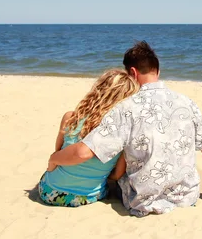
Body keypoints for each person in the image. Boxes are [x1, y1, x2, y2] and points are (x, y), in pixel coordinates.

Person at [48, 41, 202, 216]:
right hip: (186, 197)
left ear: (132, 73)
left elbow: (85, 151)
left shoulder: (125, 107)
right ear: (158, 71)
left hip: (142, 201)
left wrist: (54, 159)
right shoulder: (187, 103)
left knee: (117, 169)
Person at [39, 69, 139, 207]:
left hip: (50, 192)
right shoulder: (123, 133)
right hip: (87, 196)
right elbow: (117, 174)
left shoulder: (71, 118)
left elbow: (58, 152)